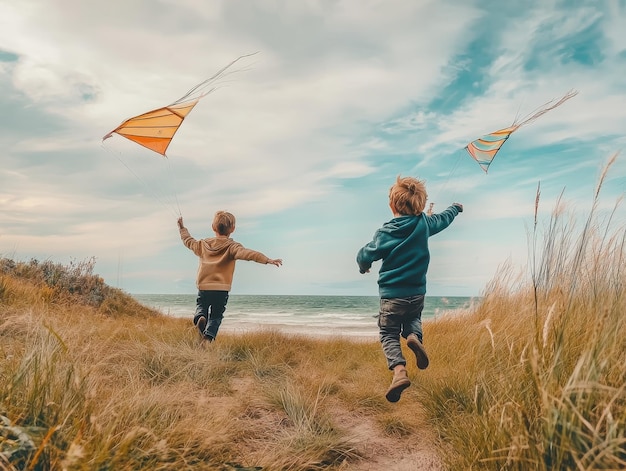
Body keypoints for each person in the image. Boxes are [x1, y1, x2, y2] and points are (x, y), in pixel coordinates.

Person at [356, 176, 463, 402]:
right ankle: (414, 337)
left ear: (392, 205)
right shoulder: (424, 223)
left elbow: (367, 253)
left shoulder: (387, 232)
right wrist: (455, 208)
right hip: (417, 294)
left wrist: (363, 267)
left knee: (388, 333)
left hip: (392, 296)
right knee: (413, 319)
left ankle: (399, 371)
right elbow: (443, 220)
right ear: (421, 205)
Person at [177, 211, 282, 342]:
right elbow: (248, 254)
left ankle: (200, 318)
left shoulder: (202, 245)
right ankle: (208, 338)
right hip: (221, 289)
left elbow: (188, 241)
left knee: (201, 307)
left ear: (212, 227)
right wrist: (267, 259)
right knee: (216, 316)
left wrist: (182, 228)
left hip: (204, 286)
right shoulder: (232, 247)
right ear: (232, 229)